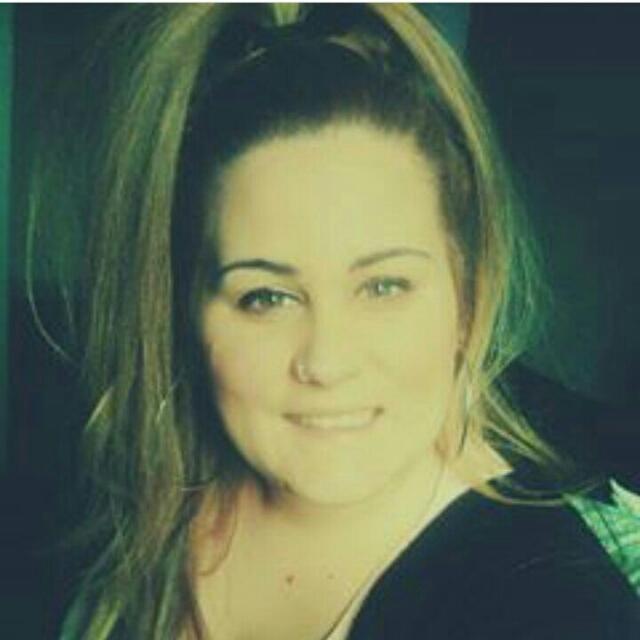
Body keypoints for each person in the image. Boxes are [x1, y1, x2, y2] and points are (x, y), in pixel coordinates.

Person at [27, 4, 638, 639]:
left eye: (383, 286)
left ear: (467, 297)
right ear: (186, 311)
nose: (326, 361)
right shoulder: (142, 502)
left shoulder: (552, 605)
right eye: (266, 297)